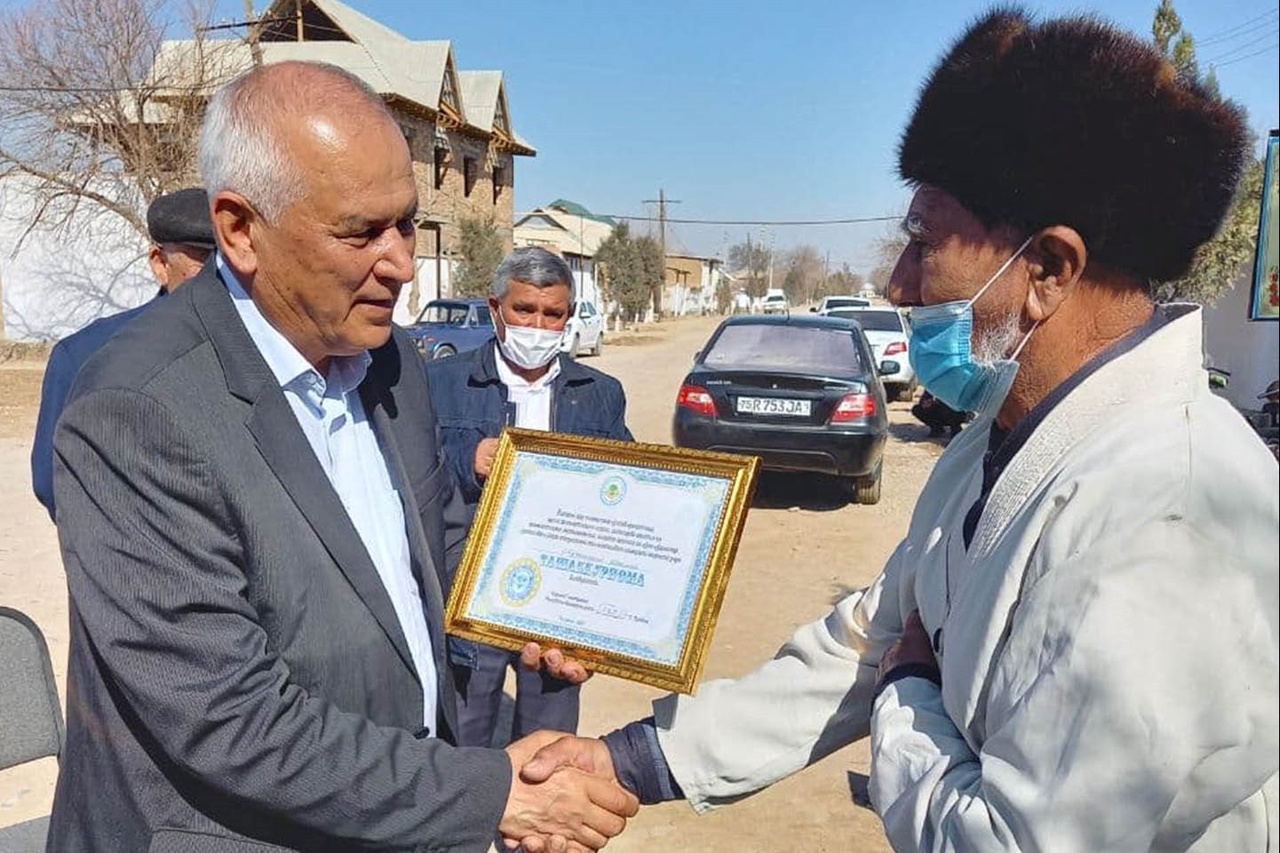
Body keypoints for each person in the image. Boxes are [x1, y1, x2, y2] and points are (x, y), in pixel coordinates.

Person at [518, 9, 1279, 851]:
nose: (898, 283)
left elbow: (1008, 838)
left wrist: (910, 687)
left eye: (924, 241)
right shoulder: (996, 441)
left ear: (1048, 270)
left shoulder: (1173, 512)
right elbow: (867, 640)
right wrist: (630, 760)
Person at [47, 61, 636, 852]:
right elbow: (234, 720)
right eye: (361, 232)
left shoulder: (391, 362)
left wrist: (535, 610)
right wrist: (488, 793)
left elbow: (437, 545)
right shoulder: (139, 411)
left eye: (406, 223)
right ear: (240, 230)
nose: (401, 262)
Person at [425, 246, 633, 749]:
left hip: (560, 597)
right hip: (471, 589)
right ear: (495, 308)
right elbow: (411, 469)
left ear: (568, 316)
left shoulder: (599, 392)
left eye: (552, 314)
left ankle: (536, 805)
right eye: (524, 310)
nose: (537, 326)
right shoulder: (441, 383)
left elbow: (627, 487)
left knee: (548, 743)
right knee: (464, 739)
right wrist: (466, 458)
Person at [30, 186, 214, 519]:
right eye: (204, 260)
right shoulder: (86, 355)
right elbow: (52, 480)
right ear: (160, 263)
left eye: (231, 260)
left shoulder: (273, 349)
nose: (221, 275)